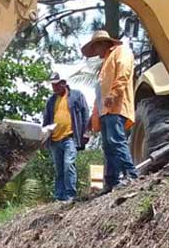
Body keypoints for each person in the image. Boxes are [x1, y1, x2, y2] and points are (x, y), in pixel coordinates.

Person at [83, 30, 138, 192]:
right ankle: (111, 181)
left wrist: (114, 94)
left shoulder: (121, 52)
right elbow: (100, 94)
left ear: (103, 43)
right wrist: (93, 118)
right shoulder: (105, 63)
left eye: (96, 47)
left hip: (116, 107)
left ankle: (131, 174)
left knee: (116, 141)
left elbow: (124, 74)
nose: (95, 52)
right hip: (105, 111)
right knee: (108, 146)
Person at [42, 72, 89, 202]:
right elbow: (46, 120)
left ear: (64, 83)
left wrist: (86, 132)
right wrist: (43, 137)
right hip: (55, 139)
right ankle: (59, 196)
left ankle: (70, 195)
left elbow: (85, 114)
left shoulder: (76, 96)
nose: (54, 87)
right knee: (59, 169)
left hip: (70, 137)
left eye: (56, 84)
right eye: (52, 85)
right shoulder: (51, 101)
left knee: (68, 165)